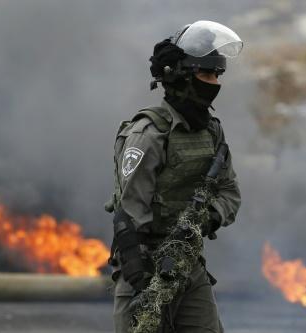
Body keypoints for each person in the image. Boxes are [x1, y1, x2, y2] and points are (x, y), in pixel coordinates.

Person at [105, 20, 243, 333]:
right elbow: (129, 214)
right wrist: (142, 281)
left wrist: (205, 220)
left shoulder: (212, 132)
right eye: (205, 74)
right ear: (180, 77)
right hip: (143, 267)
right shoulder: (150, 134)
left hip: (188, 266)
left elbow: (230, 193)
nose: (213, 82)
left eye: (216, 75)